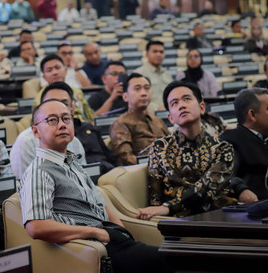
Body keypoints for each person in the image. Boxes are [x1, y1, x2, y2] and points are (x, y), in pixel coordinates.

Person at [19, 99, 173, 273]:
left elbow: (101, 204)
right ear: (35, 131)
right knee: (179, 260)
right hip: (93, 247)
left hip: (113, 238)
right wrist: (94, 232)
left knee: (183, 257)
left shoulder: (72, 162)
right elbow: (36, 227)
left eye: (66, 118)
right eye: (52, 120)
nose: (62, 125)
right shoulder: (40, 171)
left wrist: (124, 233)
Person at [137, 81, 236, 220]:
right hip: (177, 222)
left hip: (217, 218)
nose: (181, 105)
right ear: (170, 118)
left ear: (202, 107)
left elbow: (207, 189)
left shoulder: (222, 148)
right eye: (174, 103)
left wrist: (167, 207)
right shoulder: (159, 148)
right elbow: (155, 198)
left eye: (187, 99)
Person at [10, 84, 87, 180]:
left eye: (64, 104)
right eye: (52, 119)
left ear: (72, 109)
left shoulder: (75, 142)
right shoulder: (25, 142)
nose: (58, 107)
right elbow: (21, 185)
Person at [110, 73, 169, 166]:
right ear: (125, 96)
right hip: (144, 172)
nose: (144, 93)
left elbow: (173, 145)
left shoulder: (158, 120)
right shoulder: (120, 124)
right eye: (137, 89)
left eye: (147, 88)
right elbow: (126, 158)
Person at [33, 54, 95, 122]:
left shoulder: (77, 92)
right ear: (44, 77)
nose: (55, 72)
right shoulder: (40, 99)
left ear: (65, 71)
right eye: (49, 70)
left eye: (57, 67)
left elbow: (90, 117)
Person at [134, 40, 173, 110]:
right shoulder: (138, 74)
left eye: (161, 52)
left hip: (169, 113)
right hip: (148, 114)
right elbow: (136, 99)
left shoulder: (167, 74)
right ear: (147, 54)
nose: (158, 54)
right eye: (155, 51)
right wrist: (158, 108)